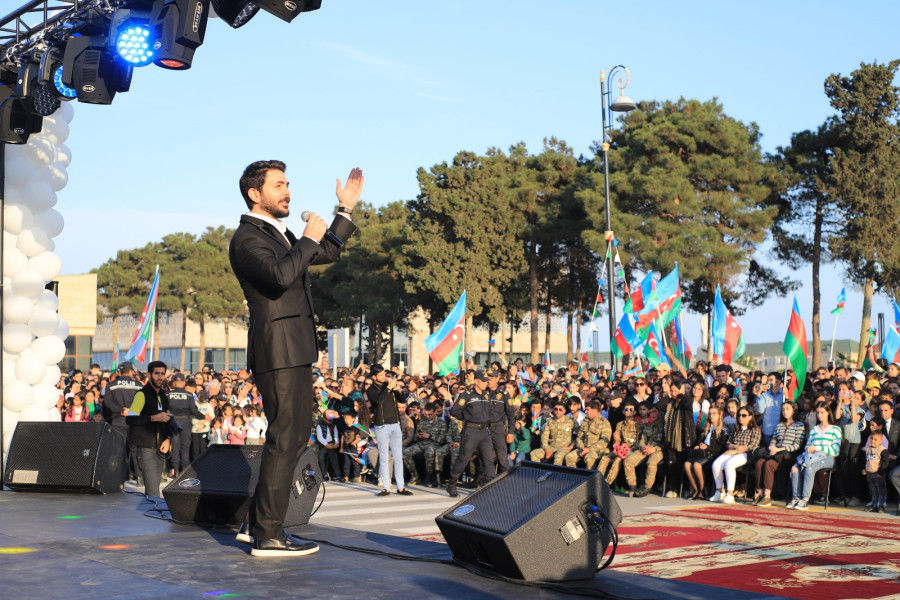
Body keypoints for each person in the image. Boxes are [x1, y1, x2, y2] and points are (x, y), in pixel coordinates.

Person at [229, 159, 362, 558]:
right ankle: (269, 535)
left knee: (294, 434)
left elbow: (326, 252)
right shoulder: (247, 238)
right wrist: (306, 239)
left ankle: (255, 524)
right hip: (277, 349)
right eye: (278, 185)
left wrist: (344, 211)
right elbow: (280, 276)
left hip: (296, 348)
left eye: (288, 183)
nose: (287, 190)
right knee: (285, 437)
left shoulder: (280, 234)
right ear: (255, 193)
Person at [125, 361, 175, 499]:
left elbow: (168, 421)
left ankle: (152, 511)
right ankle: (153, 512)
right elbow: (130, 419)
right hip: (146, 447)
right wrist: (153, 418)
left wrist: (168, 439)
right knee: (153, 492)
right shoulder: (141, 394)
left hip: (161, 447)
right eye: (157, 373)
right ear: (148, 374)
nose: (160, 377)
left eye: (162, 374)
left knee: (154, 489)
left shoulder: (164, 396)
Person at [447, 371, 497, 497]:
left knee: (488, 459)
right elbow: (455, 411)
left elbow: (490, 410)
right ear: (476, 381)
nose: (486, 383)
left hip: (484, 431)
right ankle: (452, 482)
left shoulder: (486, 395)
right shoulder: (467, 395)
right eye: (484, 381)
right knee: (464, 458)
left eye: (487, 381)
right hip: (471, 431)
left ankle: (489, 486)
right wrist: (466, 417)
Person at [367, 364, 411, 496]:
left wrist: (398, 390)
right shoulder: (371, 390)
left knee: (398, 456)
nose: (383, 377)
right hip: (382, 426)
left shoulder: (389, 386)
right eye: (380, 375)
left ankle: (401, 487)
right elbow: (378, 401)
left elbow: (402, 400)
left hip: (395, 424)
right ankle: (386, 487)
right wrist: (388, 388)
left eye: (384, 374)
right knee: (384, 456)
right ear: (374, 376)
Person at [751, 401, 806, 506]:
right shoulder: (780, 425)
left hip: (787, 455)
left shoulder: (799, 425)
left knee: (769, 464)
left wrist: (780, 449)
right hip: (775, 453)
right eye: (783, 409)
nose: (785, 412)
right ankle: (760, 493)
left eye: (787, 409)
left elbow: (797, 445)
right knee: (759, 463)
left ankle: (767, 496)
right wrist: (772, 447)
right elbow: (774, 439)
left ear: (794, 410)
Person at [788, 403, 842, 510]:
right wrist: (810, 449)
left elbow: (835, 450)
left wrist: (818, 448)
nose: (819, 415)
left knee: (809, 468)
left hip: (828, 457)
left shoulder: (835, 429)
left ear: (828, 413)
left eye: (822, 412)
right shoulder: (814, 429)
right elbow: (807, 446)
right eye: (817, 413)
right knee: (794, 468)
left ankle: (805, 500)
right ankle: (796, 498)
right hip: (812, 456)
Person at [710, 407, 760, 504]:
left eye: (744, 415)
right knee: (716, 464)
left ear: (750, 417)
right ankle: (720, 491)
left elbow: (751, 446)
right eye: (739, 415)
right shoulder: (736, 429)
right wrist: (736, 448)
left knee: (729, 464)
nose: (741, 417)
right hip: (732, 452)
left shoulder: (755, 429)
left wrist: (736, 451)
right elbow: (728, 443)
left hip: (746, 454)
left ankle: (730, 494)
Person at [104, 361, 143, 485]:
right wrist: (131, 411)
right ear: (131, 371)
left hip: (118, 420)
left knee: (119, 448)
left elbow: (107, 402)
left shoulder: (111, 385)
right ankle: (139, 476)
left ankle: (120, 476)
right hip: (134, 420)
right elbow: (143, 402)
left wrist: (121, 410)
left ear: (119, 372)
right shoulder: (139, 385)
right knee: (135, 449)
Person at [683, 405, 729, 500]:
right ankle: (696, 489)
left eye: (714, 414)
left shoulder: (723, 430)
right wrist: (699, 444)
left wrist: (707, 447)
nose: (711, 416)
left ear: (719, 415)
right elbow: (700, 439)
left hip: (713, 454)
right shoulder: (707, 428)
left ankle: (702, 491)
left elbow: (720, 448)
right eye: (710, 414)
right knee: (687, 464)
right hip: (702, 453)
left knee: (696, 465)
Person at [402, 401, 447, 486]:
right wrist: (418, 436)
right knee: (406, 452)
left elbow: (442, 440)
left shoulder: (441, 423)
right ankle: (415, 476)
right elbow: (415, 438)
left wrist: (429, 436)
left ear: (435, 412)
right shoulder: (422, 421)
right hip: (421, 444)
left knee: (429, 452)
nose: (427, 416)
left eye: (430, 414)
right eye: (426, 414)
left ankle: (429, 477)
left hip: (434, 444)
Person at [862, 430, 889, 513]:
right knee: (872, 489)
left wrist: (881, 473)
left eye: (875, 440)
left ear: (881, 441)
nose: (873, 441)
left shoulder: (882, 450)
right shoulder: (868, 449)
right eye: (871, 439)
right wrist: (864, 469)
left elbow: (885, 462)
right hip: (869, 473)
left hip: (878, 474)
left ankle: (881, 504)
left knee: (881, 490)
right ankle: (874, 503)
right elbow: (865, 460)